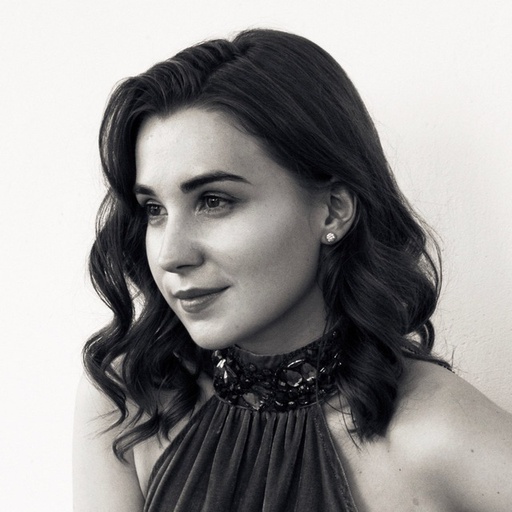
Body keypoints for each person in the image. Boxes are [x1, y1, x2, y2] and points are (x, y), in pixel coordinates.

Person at [73, 29, 512, 511]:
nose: (170, 254)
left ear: (333, 211)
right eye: (154, 210)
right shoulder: (131, 398)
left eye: (214, 201)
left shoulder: (439, 434)